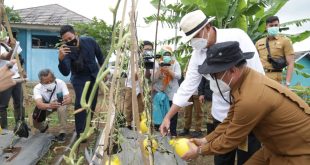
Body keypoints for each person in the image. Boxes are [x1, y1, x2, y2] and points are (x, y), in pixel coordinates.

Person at [159, 10, 264, 165]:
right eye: (191, 39)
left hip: (248, 110)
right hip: (222, 112)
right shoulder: (198, 53)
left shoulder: (237, 36)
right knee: (221, 156)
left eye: (196, 36)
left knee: (248, 158)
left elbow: (256, 74)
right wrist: (168, 116)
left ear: (208, 26)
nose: (195, 41)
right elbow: (188, 86)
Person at [181, 41, 310, 164]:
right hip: (275, 146)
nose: (214, 80)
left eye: (215, 75)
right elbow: (229, 120)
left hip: (298, 151)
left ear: (232, 70)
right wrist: (205, 139)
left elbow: (230, 139)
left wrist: (199, 151)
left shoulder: (250, 97)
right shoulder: (244, 81)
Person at [58, 25, 105, 139]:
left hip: (94, 76)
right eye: (66, 40)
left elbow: (100, 56)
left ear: (75, 34)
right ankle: (80, 132)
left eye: (70, 38)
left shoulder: (89, 41)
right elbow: (65, 72)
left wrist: (104, 72)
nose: (69, 41)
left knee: (92, 103)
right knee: (81, 104)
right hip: (79, 78)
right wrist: (61, 58)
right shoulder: (66, 50)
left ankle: (87, 125)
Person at [33, 69, 71, 143]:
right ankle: (43, 127)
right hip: (46, 105)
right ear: (41, 82)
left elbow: (69, 98)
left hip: (60, 103)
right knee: (35, 121)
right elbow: (39, 104)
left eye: (51, 80)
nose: (50, 83)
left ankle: (62, 132)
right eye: (46, 82)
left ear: (54, 77)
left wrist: (68, 100)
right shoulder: (37, 88)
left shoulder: (61, 83)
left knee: (62, 109)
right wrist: (49, 105)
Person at [255, 16, 295, 85]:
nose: (273, 27)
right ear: (266, 27)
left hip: (276, 77)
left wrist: (287, 83)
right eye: (271, 25)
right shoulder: (259, 42)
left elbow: (290, 63)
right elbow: (254, 60)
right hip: (260, 76)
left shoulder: (285, 41)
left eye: (276, 25)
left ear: (279, 26)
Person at [152, 45, 181, 136]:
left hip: (172, 92)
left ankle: (173, 132)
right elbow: (153, 79)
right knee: (162, 111)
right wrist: (160, 70)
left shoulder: (175, 63)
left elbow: (179, 76)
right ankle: (161, 129)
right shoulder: (157, 63)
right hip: (161, 93)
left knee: (173, 113)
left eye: (168, 54)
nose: (166, 56)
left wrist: (169, 70)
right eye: (165, 54)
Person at [124, 41, 151, 129]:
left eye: (150, 50)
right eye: (146, 49)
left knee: (141, 106)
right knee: (129, 106)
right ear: (141, 49)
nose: (148, 51)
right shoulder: (134, 59)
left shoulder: (149, 60)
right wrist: (140, 66)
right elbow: (134, 77)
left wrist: (147, 68)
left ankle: (139, 124)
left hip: (141, 86)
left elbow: (148, 76)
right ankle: (128, 123)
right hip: (131, 85)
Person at [0, 37, 25, 130]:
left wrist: (22, 69)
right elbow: (6, 56)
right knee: (2, 105)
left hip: (17, 77)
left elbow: (19, 57)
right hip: (4, 79)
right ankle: (4, 129)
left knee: (19, 102)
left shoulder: (9, 40)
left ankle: (21, 126)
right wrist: (12, 48)